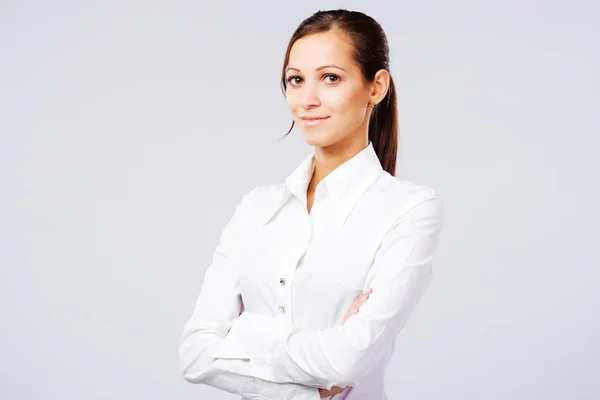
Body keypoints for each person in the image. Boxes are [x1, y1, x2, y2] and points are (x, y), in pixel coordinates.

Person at [179, 9, 444, 400]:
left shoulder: (409, 209)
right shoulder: (256, 209)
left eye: (330, 78)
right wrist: (314, 392)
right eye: (296, 80)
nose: (307, 99)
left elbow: (350, 360)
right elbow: (195, 354)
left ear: (377, 87)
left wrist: (247, 335)